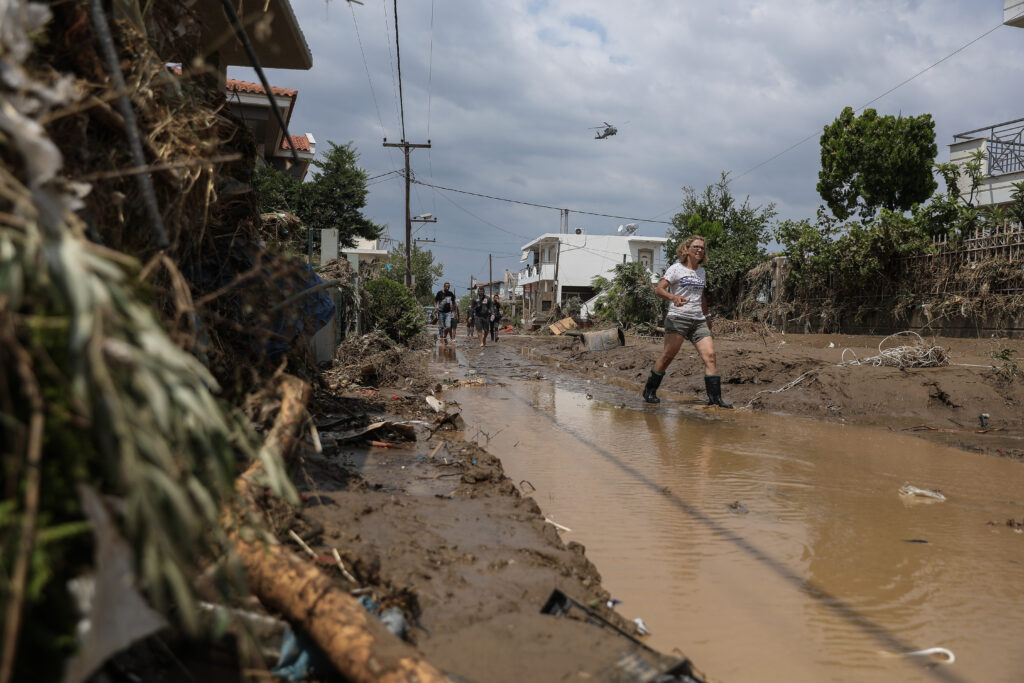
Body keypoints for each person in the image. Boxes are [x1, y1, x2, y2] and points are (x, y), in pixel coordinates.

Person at [642, 234, 732, 408]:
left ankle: (715, 399)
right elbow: (659, 290)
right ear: (687, 250)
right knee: (668, 356)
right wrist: (673, 297)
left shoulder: (702, 271)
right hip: (678, 318)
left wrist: (707, 317)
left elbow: (701, 296)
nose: (699, 250)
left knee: (711, 357)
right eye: (696, 247)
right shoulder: (676, 268)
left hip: (698, 320)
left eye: (702, 248)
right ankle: (649, 390)